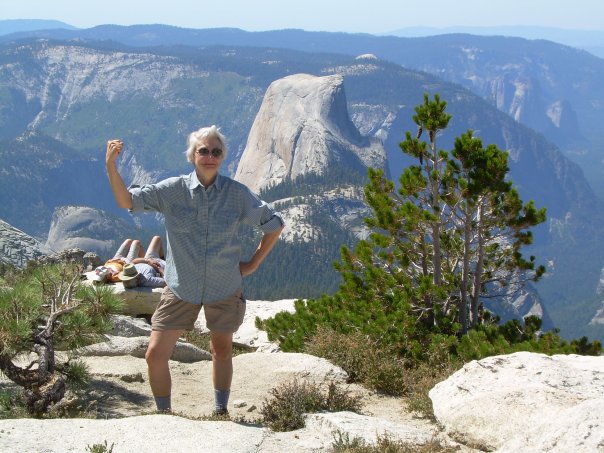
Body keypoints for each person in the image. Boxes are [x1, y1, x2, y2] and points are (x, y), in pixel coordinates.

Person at [105, 125, 284, 415]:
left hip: (224, 286)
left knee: (222, 350)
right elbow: (127, 201)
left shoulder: (237, 194)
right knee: (154, 354)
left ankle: (221, 411)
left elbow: (274, 225)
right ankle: (165, 415)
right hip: (180, 286)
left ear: (223, 157)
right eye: (204, 151)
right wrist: (111, 166)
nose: (210, 156)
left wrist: (253, 263)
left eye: (216, 152)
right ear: (192, 156)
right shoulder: (172, 191)